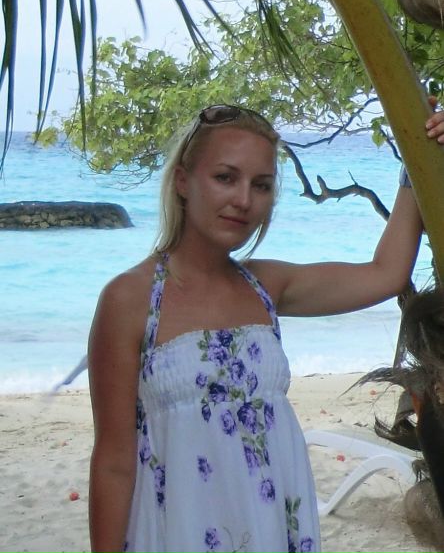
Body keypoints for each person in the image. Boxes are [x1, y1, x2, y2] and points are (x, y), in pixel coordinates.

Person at [88, 103, 444, 553]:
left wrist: (417, 157)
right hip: (178, 530)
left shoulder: (265, 287)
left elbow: (385, 273)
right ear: (182, 181)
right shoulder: (130, 300)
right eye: (225, 177)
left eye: (261, 185)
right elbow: (114, 462)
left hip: (269, 527)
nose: (244, 200)